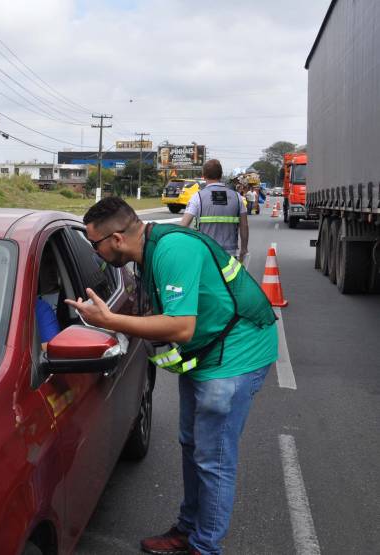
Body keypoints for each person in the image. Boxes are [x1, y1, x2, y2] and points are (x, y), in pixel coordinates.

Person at [67, 196, 278, 555]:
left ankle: (204, 547)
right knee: (192, 444)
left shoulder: (172, 250)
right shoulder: (147, 252)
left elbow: (180, 327)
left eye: (95, 244)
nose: (95, 253)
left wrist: (108, 321)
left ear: (116, 239)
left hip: (237, 353)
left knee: (213, 457)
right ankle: (189, 529)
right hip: (207, 350)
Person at [180, 159, 249, 261]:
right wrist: (244, 249)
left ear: (204, 175)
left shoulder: (197, 197)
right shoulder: (237, 197)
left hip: (206, 253)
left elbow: (183, 226)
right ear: (221, 175)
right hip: (229, 255)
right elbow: (244, 226)